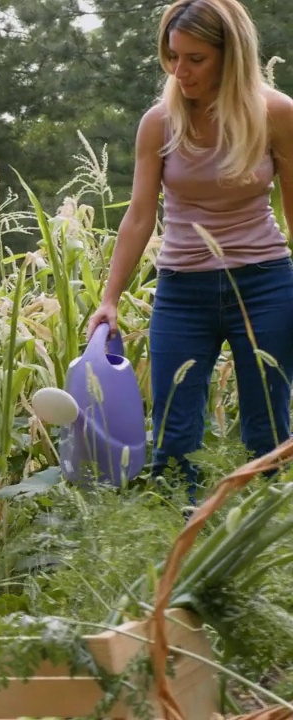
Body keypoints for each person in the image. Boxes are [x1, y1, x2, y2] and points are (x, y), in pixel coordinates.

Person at [87, 0, 293, 503]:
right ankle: (176, 547)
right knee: (175, 437)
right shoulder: (160, 122)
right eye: (173, 57)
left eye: (195, 59)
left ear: (232, 56)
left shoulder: (277, 114)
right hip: (182, 290)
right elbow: (139, 215)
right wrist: (110, 298)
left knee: (267, 429)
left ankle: (265, 546)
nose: (180, 71)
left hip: (266, 284)